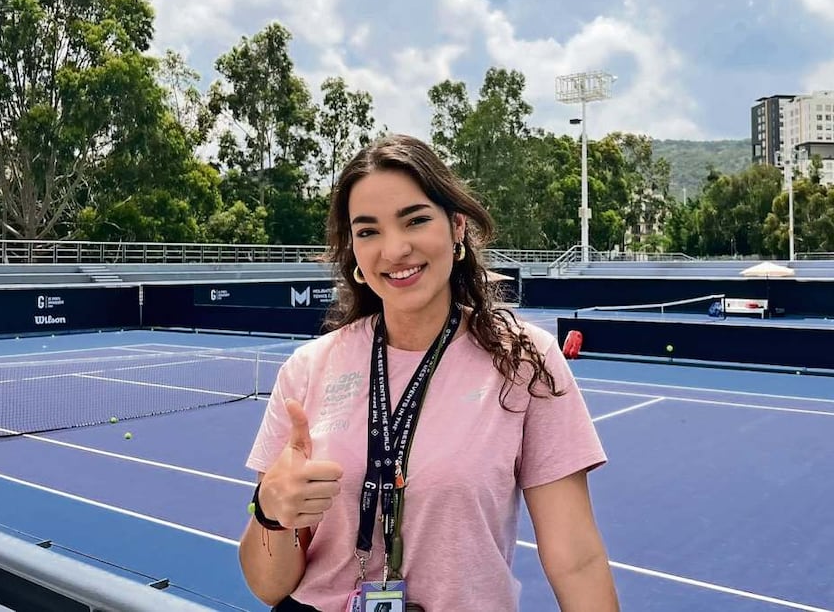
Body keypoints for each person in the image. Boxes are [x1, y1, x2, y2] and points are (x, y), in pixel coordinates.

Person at [239, 134, 618, 612]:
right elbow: (267, 587)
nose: (395, 249)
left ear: (456, 227)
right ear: (353, 253)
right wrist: (271, 513)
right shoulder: (308, 368)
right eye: (368, 231)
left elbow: (576, 560)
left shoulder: (524, 359)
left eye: (415, 220)